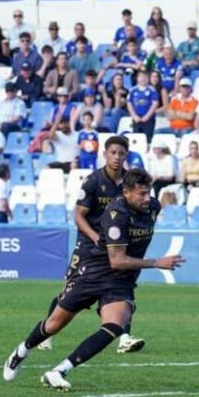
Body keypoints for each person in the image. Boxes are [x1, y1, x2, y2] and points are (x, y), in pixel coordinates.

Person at [3, 168, 183, 390]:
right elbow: (117, 260)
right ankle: (21, 351)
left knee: (114, 326)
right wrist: (156, 263)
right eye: (142, 194)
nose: (148, 198)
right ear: (126, 193)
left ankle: (59, 371)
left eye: (149, 192)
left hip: (120, 281)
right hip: (95, 273)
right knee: (53, 324)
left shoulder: (153, 207)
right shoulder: (116, 214)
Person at [38, 137, 148, 354]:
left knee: (122, 287)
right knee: (69, 291)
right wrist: (95, 236)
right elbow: (78, 215)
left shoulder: (129, 183)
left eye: (121, 154)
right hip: (89, 245)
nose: (117, 157)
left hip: (115, 246)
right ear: (104, 154)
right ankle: (46, 334)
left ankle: (124, 338)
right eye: (113, 153)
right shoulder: (93, 181)